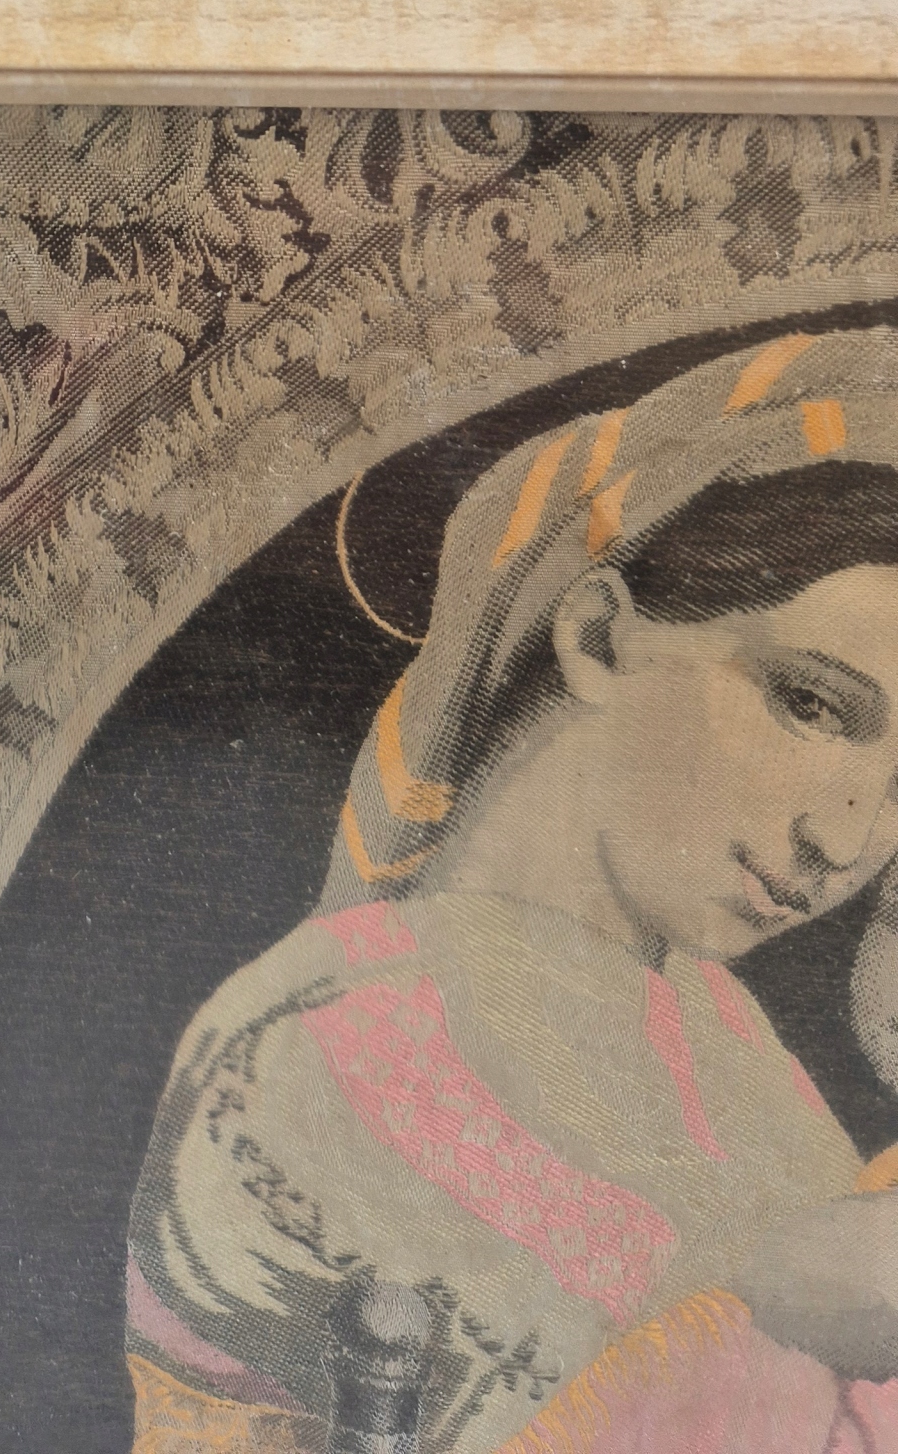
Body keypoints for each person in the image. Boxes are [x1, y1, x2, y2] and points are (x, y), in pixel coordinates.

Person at [126, 326, 898, 1454]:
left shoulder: (733, 1050)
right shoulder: (328, 1036)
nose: (848, 837)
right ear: (598, 636)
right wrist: (775, 1295)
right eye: (812, 704)